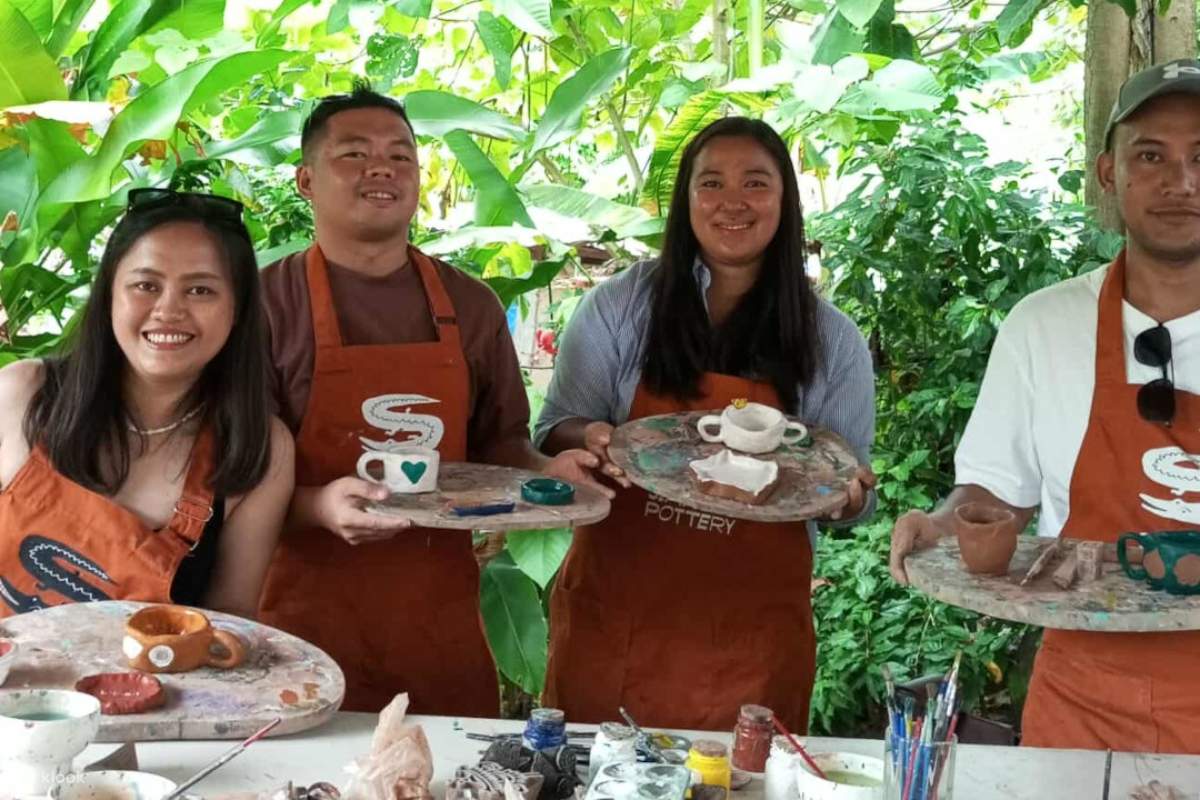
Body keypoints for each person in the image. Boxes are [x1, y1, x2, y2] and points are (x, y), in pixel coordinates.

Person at [256, 85, 603, 714]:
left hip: (436, 620)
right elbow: (228, 478)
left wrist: (548, 473)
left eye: (401, 155)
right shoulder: (263, 307)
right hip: (298, 619)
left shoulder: (470, 306)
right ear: (306, 180)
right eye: (354, 154)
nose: (382, 167)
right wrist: (317, 506)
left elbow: (501, 443)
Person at [889, 59, 1200, 754]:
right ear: (1109, 173)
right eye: (1151, 155)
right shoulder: (1045, 323)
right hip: (1085, 697)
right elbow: (998, 490)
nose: (1180, 181)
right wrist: (949, 524)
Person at [534, 117, 877, 731]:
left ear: (784, 200)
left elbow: (849, 489)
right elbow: (555, 427)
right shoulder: (618, 307)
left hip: (752, 642)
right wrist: (586, 437)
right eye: (711, 183)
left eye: (756, 183)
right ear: (685, 199)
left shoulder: (832, 340)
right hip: (616, 625)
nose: (732, 202)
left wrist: (845, 500)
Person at [0, 189, 294, 620]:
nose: (168, 310)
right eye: (145, 285)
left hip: (145, 686)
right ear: (108, 296)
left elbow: (231, 619)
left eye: (200, 290)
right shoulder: (22, 394)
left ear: (237, 309)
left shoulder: (262, 448)